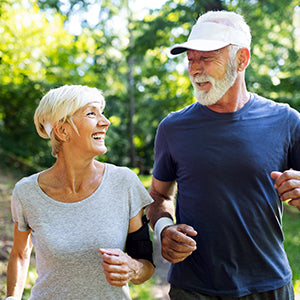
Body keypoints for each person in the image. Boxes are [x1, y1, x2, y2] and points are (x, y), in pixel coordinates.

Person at [145, 10, 300, 300]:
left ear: (242, 59)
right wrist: (164, 229)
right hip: (193, 288)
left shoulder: (287, 121)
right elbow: (158, 196)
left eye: (206, 57)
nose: (194, 68)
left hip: (269, 286)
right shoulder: (172, 128)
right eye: (190, 58)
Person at [6, 84, 155, 300]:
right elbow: (20, 254)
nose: (105, 122)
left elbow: (146, 265)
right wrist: (12, 297)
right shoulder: (27, 192)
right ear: (63, 130)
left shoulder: (124, 183)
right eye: (91, 113)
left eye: (102, 113)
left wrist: (133, 268)